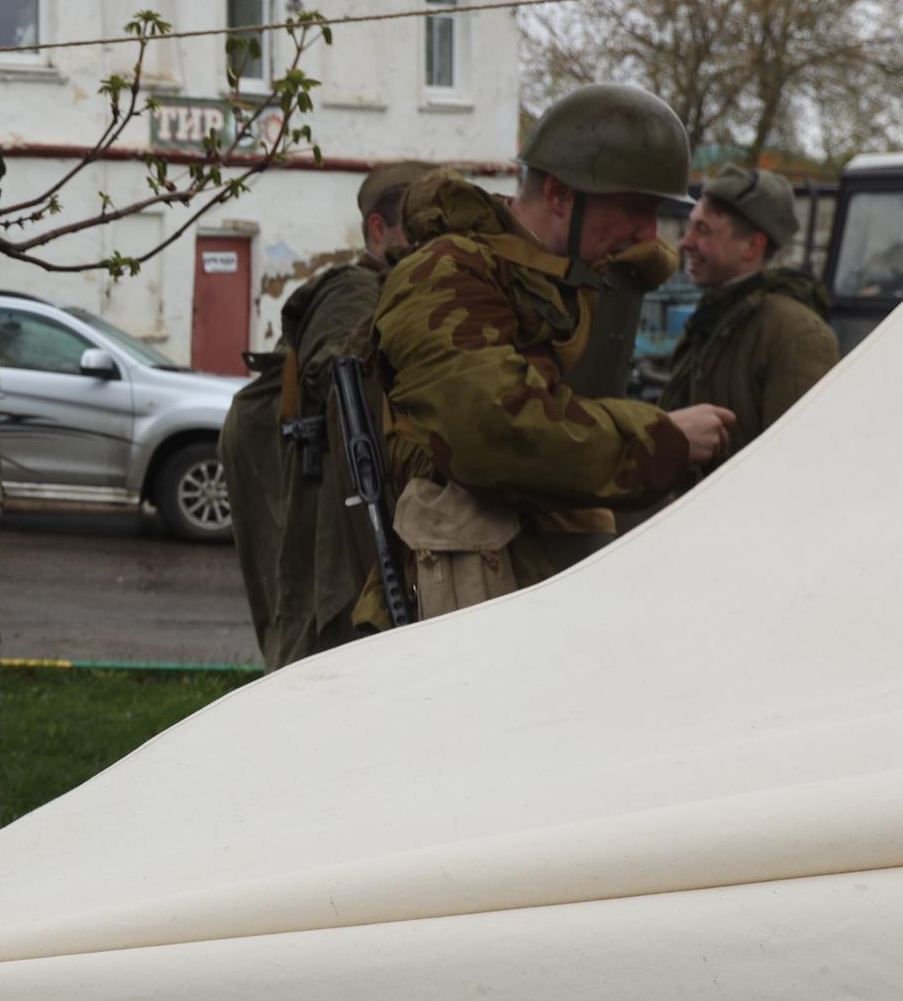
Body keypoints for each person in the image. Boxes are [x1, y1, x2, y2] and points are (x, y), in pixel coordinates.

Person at [362, 84, 736, 621]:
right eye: (636, 208)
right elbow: (497, 433)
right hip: (471, 608)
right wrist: (666, 440)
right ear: (560, 194)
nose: (649, 232)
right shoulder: (444, 275)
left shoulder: (563, 283)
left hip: (544, 589)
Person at [219, 161, 437, 668]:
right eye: (420, 231)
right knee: (325, 643)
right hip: (333, 504)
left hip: (344, 499)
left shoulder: (392, 288)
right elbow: (342, 384)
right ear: (378, 229)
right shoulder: (354, 289)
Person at [662, 164, 839, 465]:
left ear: (751, 246)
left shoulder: (797, 334)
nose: (685, 242)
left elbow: (797, 462)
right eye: (689, 227)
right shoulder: (715, 315)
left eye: (702, 230)